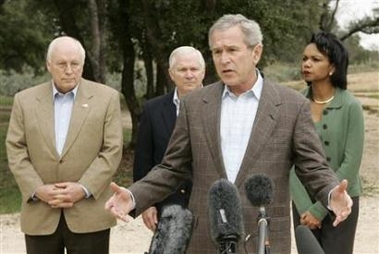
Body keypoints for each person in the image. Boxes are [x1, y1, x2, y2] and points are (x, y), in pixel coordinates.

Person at [105, 14, 353, 253]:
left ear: (256, 52)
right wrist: (134, 195)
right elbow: (171, 168)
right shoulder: (195, 104)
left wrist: (332, 193)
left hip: (264, 237)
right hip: (205, 238)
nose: (224, 59)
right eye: (217, 52)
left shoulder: (291, 105)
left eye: (232, 50)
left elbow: (312, 167)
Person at [6, 36, 123, 254]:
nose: (69, 70)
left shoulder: (107, 98)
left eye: (74, 63)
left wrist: (84, 188)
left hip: (90, 214)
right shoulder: (24, 101)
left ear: (83, 64)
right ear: (49, 65)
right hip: (40, 213)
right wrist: (37, 189)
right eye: (61, 64)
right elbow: (16, 149)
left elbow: (112, 150)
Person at [290, 31, 364, 254]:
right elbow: (290, 161)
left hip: (343, 202)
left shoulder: (351, 106)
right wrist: (305, 207)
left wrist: (321, 209)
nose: (307, 64)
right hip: (303, 203)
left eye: (315, 59)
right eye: (304, 59)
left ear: (332, 67)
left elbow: (351, 164)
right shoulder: (294, 103)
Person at [133, 46, 205, 231]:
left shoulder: (221, 106)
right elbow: (143, 159)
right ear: (171, 74)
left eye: (194, 69)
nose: (189, 75)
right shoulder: (153, 109)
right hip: (167, 204)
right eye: (182, 69)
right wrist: (145, 203)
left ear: (203, 72)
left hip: (208, 204)